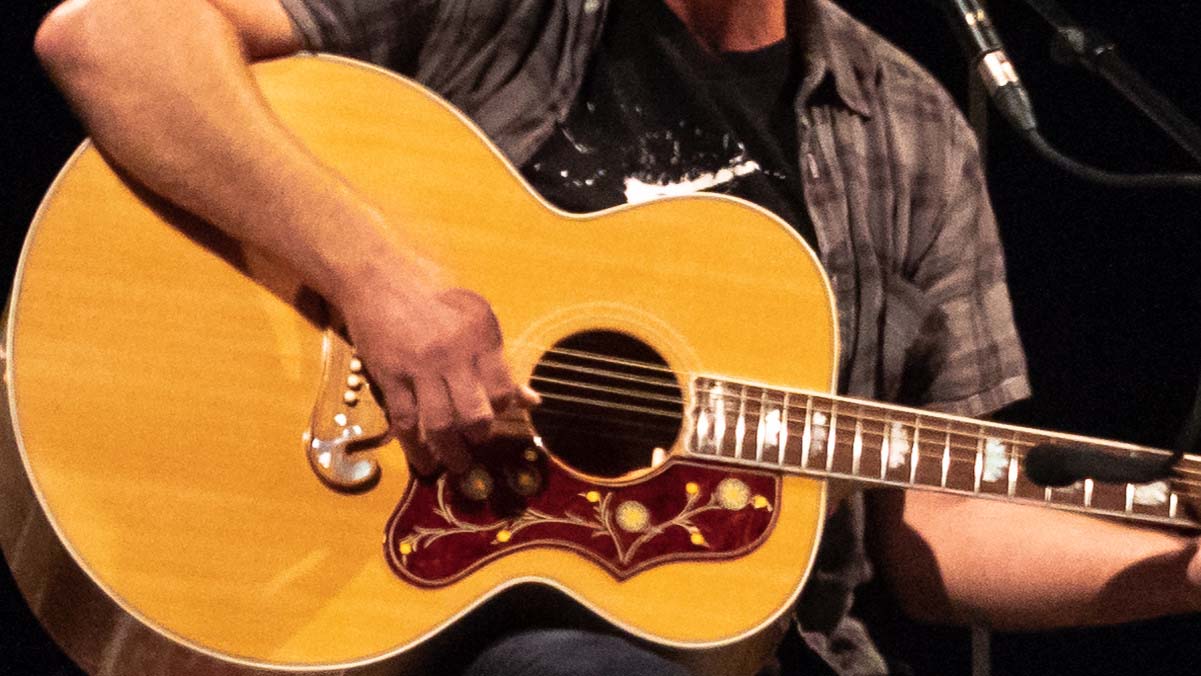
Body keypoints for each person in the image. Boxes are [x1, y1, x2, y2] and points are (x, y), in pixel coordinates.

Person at [32, 0, 1201, 674]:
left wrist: (1182, 570)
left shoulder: (905, 125)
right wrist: (376, 278)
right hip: (396, 589)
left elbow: (935, 523)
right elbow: (110, 37)